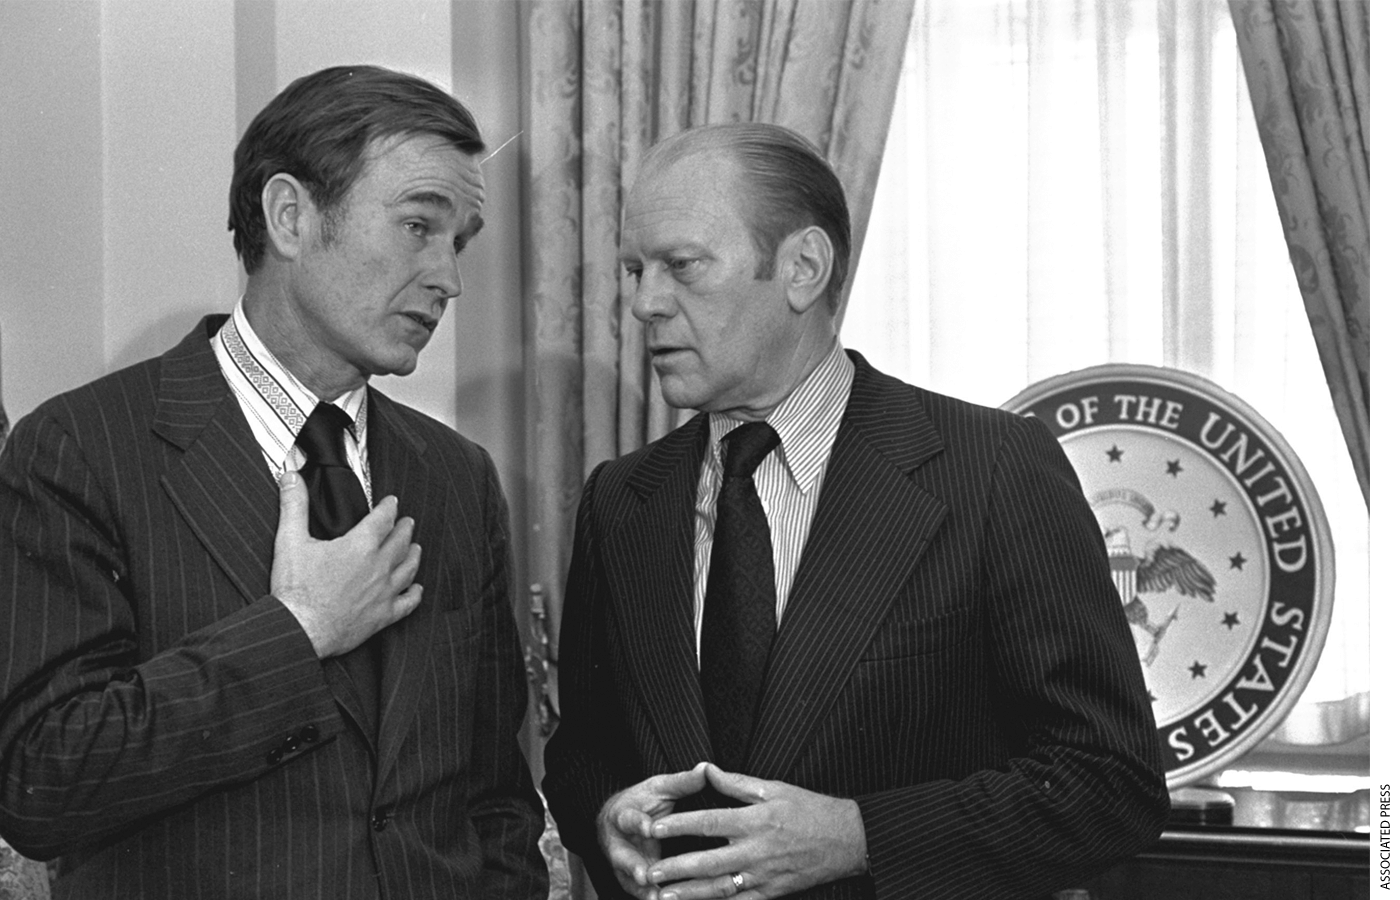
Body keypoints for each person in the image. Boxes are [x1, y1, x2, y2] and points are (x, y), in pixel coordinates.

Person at [541, 123, 1169, 900]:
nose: (643, 303)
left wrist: (858, 836)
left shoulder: (993, 468)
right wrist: (605, 818)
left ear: (803, 268)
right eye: (635, 270)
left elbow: (1110, 782)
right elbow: (583, 753)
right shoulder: (620, 501)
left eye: (681, 266)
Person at [0, 65, 547, 898]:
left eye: (458, 241)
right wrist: (298, 632)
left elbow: (495, 798)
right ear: (290, 215)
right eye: (417, 227)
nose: (449, 277)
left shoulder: (457, 475)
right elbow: (41, 782)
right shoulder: (79, 447)